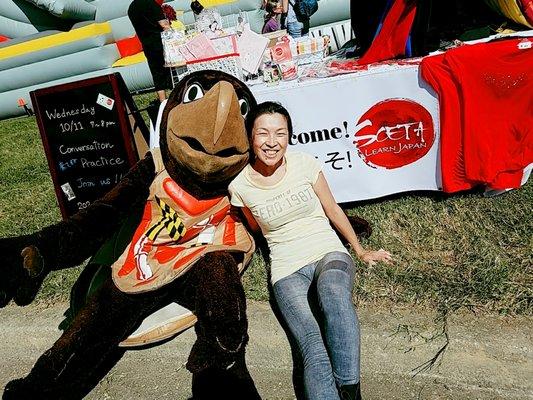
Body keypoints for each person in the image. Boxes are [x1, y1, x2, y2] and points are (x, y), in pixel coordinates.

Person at [228, 102, 393, 400]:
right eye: (262, 133)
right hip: (286, 268)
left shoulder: (305, 164)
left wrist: (359, 250)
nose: (272, 141)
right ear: (250, 137)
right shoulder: (240, 187)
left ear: (289, 136)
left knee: (332, 291)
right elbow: (255, 229)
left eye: (280, 133)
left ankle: (349, 391)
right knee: (312, 347)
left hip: (327, 252)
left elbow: (332, 209)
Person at [128, 0, 172, 103]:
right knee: (172, 70)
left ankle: (163, 102)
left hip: (147, 45)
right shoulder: (151, 4)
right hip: (161, 43)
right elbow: (164, 25)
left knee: (156, 73)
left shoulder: (131, 8)